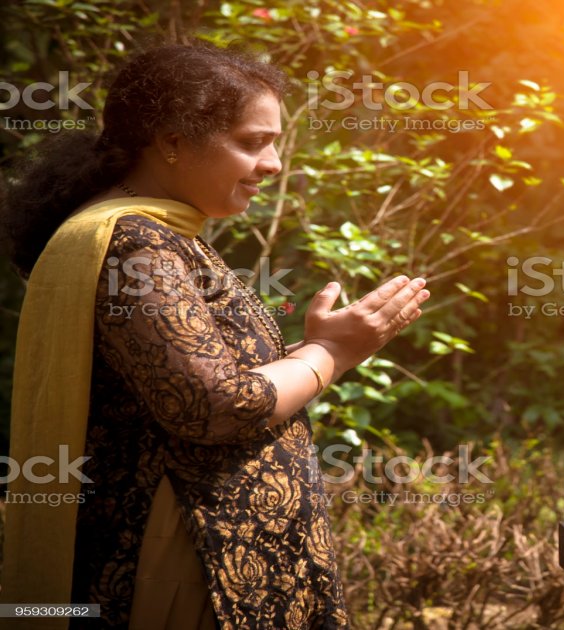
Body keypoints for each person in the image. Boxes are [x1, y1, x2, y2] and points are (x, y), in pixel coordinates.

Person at [0, 44, 429, 628]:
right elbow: (211, 406)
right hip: (188, 563)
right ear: (173, 141)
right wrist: (332, 352)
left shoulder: (146, 234)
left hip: (198, 553)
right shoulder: (136, 243)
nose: (274, 163)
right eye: (252, 142)